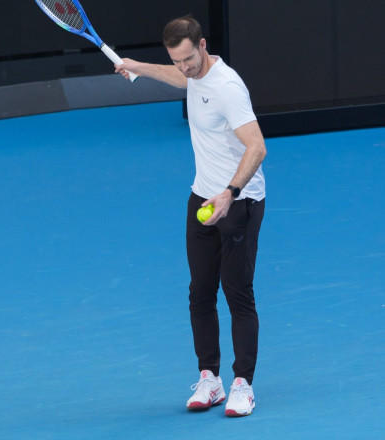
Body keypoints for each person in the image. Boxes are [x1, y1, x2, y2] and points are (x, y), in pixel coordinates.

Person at [114, 16, 266, 417]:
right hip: (200, 198)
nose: (184, 67)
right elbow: (180, 79)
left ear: (203, 45)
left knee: (237, 293)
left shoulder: (229, 87)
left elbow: (257, 147)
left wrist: (229, 194)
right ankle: (209, 378)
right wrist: (137, 66)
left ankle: (242, 384)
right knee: (199, 293)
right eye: (176, 60)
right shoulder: (193, 72)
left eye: (188, 59)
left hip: (239, 202)